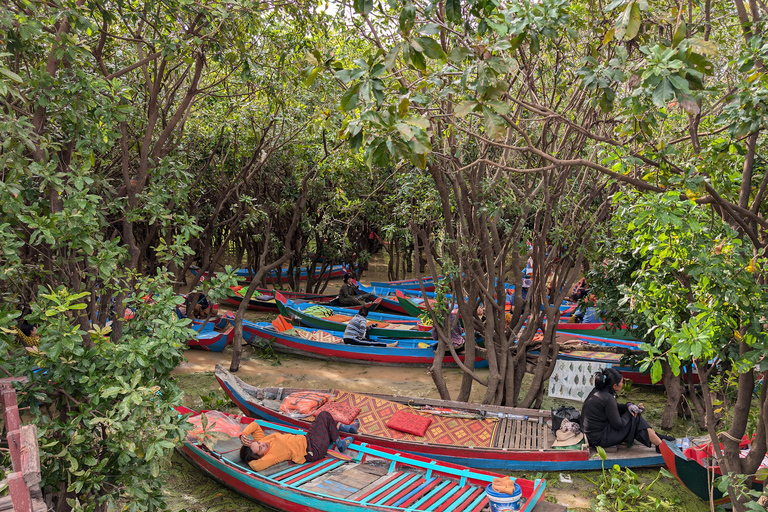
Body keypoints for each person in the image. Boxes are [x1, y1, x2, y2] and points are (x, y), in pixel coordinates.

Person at [581, 368, 673, 452]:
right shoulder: (608, 398)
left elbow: (614, 408)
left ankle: (657, 439)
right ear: (614, 385)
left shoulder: (599, 390)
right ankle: (659, 444)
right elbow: (619, 425)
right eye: (621, 382)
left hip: (593, 434)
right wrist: (631, 413)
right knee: (635, 418)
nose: (622, 384)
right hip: (598, 439)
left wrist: (629, 406)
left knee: (634, 415)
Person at [239, 411, 353, 471]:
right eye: (260, 448)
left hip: (308, 439)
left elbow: (255, 425)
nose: (262, 444)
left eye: (258, 443)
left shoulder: (264, 440)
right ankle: (341, 444)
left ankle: (343, 431)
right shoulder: (270, 457)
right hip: (312, 450)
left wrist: (243, 434)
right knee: (324, 415)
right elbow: (256, 466)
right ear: (260, 456)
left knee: (320, 419)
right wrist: (249, 460)